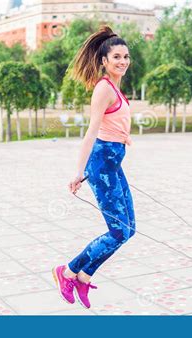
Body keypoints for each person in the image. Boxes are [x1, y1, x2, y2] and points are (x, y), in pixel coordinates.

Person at [52, 25, 136, 309]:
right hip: (101, 164)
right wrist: (78, 172)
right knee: (118, 232)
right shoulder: (103, 88)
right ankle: (67, 271)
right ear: (104, 61)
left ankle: (84, 277)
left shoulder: (116, 88)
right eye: (116, 57)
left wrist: (124, 137)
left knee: (130, 229)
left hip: (112, 162)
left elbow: (114, 123)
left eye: (126, 56)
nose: (123, 61)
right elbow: (91, 132)